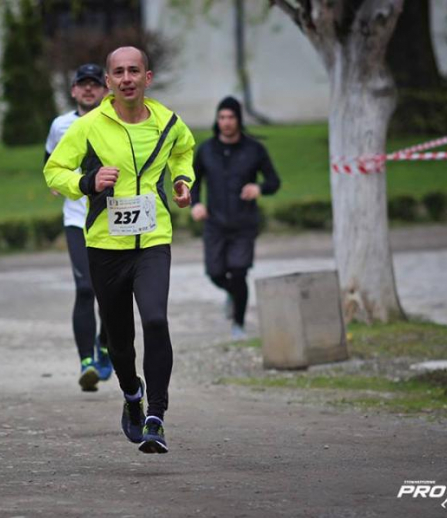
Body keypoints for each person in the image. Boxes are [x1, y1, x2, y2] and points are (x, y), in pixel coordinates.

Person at [44, 46, 195, 454]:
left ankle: (156, 417)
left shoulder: (169, 122)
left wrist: (182, 180)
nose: (126, 78)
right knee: (119, 338)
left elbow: (184, 152)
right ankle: (132, 396)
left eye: (134, 70)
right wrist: (88, 182)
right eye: (118, 72)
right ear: (109, 82)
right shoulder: (88, 127)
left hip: (152, 241)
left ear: (147, 78)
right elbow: (54, 170)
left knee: (156, 320)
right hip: (105, 245)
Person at [44, 64, 112, 391]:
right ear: (73, 90)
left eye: (94, 85)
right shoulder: (61, 125)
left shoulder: (115, 121)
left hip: (113, 218)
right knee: (86, 289)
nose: (88, 90)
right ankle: (87, 361)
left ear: (105, 89)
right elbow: (50, 160)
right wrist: (56, 181)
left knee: (112, 292)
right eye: (82, 85)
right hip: (77, 221)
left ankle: (106, 344)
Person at [190, 96, 280, 339]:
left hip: (244, 223)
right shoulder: (206, 150)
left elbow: (274, 181)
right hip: (214, 223)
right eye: (221, 117)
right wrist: (196, 203)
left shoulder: (254, 150)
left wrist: (259, 188)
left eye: (230, 117)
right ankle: (233, 294)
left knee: (239, 272)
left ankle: (238, 325)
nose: (226, 122)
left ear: (238, 119)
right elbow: (193, 181)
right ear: (216, 120)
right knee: (215, 273)